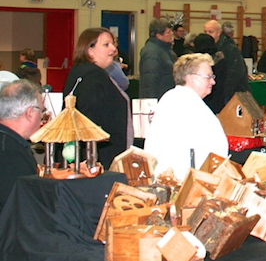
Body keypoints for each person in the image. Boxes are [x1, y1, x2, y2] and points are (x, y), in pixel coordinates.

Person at [143, 53, 228, 179]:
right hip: (183, 180)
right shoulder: (186, 103)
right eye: (208, 77)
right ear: (190, 78)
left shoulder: (172, 97)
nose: (213, 81)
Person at [63, 28, 131, 169]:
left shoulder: (81, 72)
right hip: (98, 160)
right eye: (106, 45)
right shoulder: (93, 77)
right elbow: (88, 121)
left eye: (113, 44)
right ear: (90, 50)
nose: (113, 49)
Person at [0, 80, 41, 211]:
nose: (42, 118)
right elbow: (22, 209)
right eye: (42, 110)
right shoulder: (12, 154)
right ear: (30, 113)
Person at [202, 19, 250, 112]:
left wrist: (224, 91)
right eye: (205, 32)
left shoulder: (230, 48)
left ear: (219, 32)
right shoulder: (210, 48)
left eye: (210, 32)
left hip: (232, 92)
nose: (207, 34)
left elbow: (237, 72)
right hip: (217, 93)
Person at [139, 18, 176, 100]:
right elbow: (149, 83)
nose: (172, 34)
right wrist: (152, 106)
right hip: (159, 100)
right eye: (168, 32)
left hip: (165, 99)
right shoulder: (152, 53)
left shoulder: (164, 49)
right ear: (158, 35)